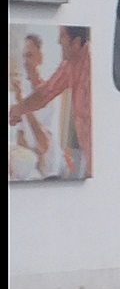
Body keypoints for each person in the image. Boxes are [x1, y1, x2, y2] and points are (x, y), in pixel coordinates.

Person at [8, 25, 92, 179]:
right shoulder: (68, 66)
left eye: (63, 36)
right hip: (38, 167)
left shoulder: (93, 64)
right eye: (24, 56)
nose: (58, 41)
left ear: (76, 42)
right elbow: (44, 94)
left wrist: (20, 106)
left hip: (54, 169)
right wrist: (17, 108)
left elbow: (44, 142)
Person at [9, 32, 65, 180]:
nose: (26, 61)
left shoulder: (50, 94)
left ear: (41, 58)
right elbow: (21, 133)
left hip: (50, 171)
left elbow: (44, 143)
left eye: (30, 56)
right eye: (24, 56)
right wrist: (27, 155)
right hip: (33, 166)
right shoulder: (23, 89)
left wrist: (23, 105)